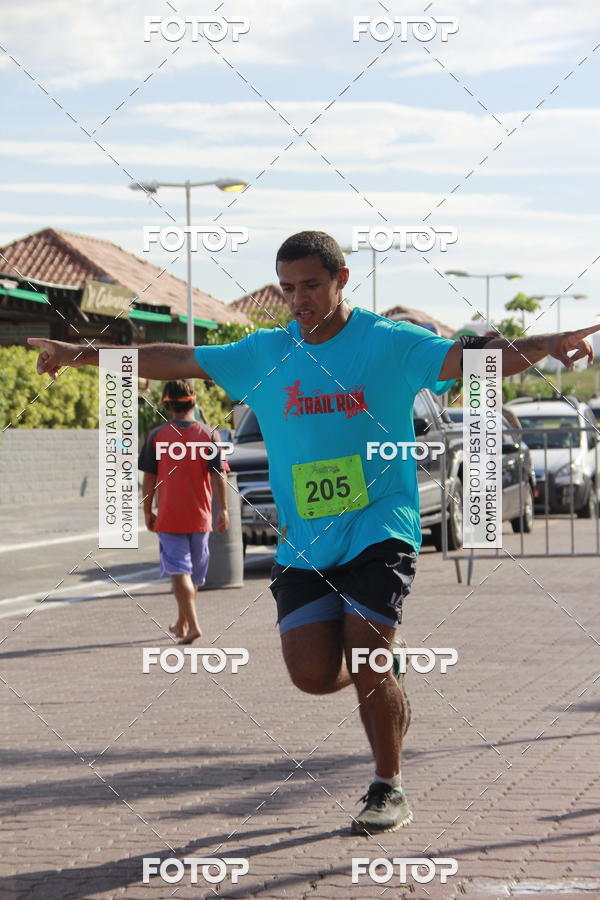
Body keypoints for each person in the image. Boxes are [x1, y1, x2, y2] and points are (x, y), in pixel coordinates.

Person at [28, 231, 599, 834]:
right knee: (311, 675)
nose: (299, 299)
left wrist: (546, 344)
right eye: (288, 288)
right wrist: (79, 353)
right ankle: (386, 663)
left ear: (341, 280)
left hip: (381, 522)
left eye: (311, 285)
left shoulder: (387, 342)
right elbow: (177, 359)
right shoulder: (265, 352)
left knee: (366, 655)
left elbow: (472, 357)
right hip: (304, 539)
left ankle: (387, 785)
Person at [138, 379, 229, 645]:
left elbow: (149, 479)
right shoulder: (209, 435)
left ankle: (193, 626)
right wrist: (224, 509)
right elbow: (219, 476)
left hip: (170, 517)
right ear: (194, 402)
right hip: (201, 518)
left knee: (180, 573)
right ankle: (182, 622)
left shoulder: (157, 436)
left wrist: (147, 511)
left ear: (166, 404)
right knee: (191, 576)